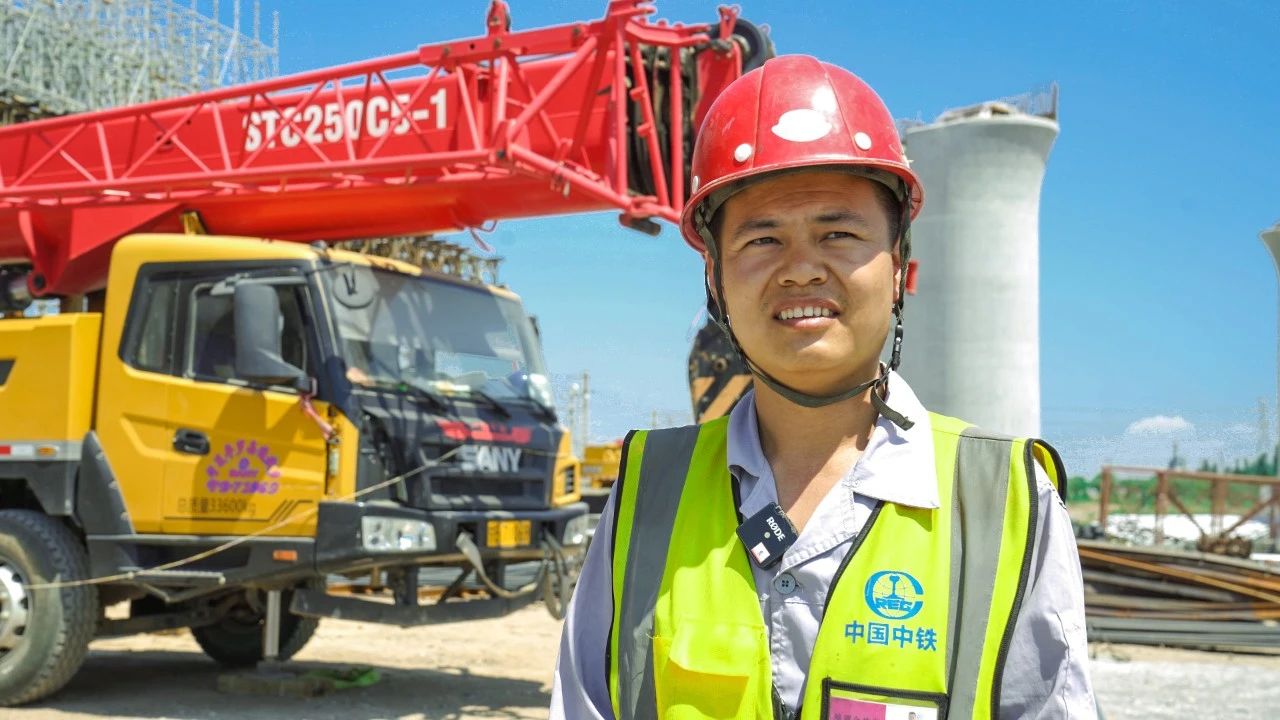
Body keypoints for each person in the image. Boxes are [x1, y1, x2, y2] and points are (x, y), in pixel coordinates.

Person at [551, 55, 1095, 719]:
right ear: (714, 280)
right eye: (762, 240)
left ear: (900, 267)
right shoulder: (647, 494)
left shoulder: (1004, 503)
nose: (801, 270)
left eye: (838, 233)